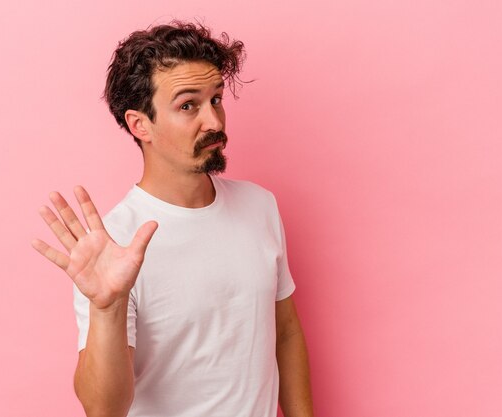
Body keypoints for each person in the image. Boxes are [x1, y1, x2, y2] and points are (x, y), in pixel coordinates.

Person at [32, 21, 314, 417]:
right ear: (139, 124)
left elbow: (284, 332)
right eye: (188, 105)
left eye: (216, 99)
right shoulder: (112, 245)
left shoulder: (260, 206)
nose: (214, 122)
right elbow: (103, 409)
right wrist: (107, 308)